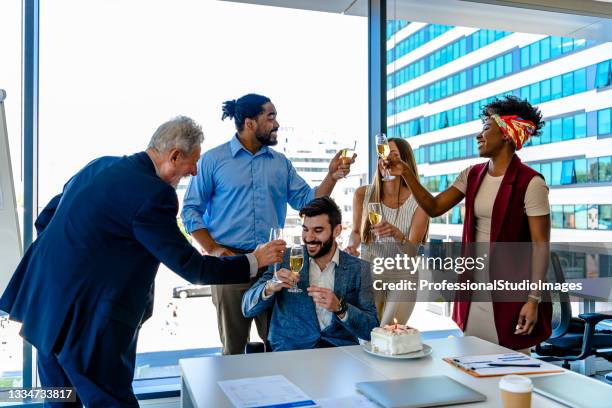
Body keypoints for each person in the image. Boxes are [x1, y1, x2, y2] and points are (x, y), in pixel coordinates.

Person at [0, 116, 285, 407]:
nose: (195, 170)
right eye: (192, 163)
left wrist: (82, 266)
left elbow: (46, 219)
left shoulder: (100, 165)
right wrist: (254, 260)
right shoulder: (153, 195)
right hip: (88, 327)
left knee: (60, 400)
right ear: (174, 156)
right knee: (113, 402)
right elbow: (193, 269)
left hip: (43, 309)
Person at [181, 93, 355, 355]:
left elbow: (308, 202)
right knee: (233, 350)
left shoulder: (280, 163)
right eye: (271, 117)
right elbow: (191, 209)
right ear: (250, 123)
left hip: (273, 268)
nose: (276, 123)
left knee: (276, 346)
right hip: (230, 266)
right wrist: (214, 249)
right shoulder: (213, 160)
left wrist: (331, 176)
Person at [388, 95, 552, 352]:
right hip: (474, 287)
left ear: (507, 134)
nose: (479, 135)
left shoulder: (532, 183)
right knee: (474, 363)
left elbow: (541, 245)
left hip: (510, 293)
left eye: (486, 128)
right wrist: (406, 173)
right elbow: (433, 207)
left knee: (512, 366)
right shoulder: (472, 174)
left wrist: (533, 299)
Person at [242, 196, 378, 351]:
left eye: (318, 231)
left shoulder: (359, 268)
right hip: (291, 352)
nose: (309, 238)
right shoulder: (284, 259)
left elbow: (371, 330)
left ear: (337, 230)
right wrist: (270, 286)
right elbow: (247, 308)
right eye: (305, 229)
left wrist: (340, 308)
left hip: (339, 354)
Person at [346, 138, 429, 326]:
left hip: (403, 276)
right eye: (383, 155)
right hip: (370, 273)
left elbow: (412, 251)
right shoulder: (362, 194)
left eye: (394, 156)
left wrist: (396, 233)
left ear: (405, 162)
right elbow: (356, 233)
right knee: (368, 335)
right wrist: (351, 246)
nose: (387, 160)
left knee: (387, 333)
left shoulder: (419, 201)